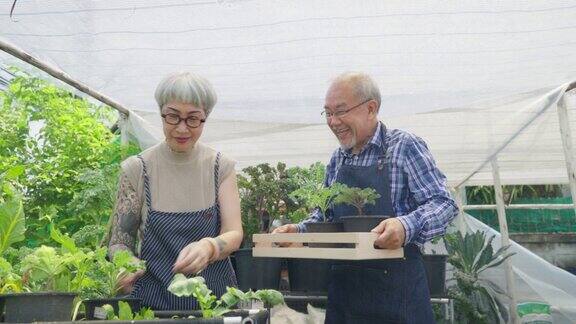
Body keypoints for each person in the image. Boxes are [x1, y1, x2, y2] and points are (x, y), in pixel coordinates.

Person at [273, 72, 458, 323]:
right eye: (327, 113)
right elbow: (326, 216)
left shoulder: (403, 146)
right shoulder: (338, 160)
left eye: (340, 111)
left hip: (398, 296)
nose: (333, 121)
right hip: (346, 297)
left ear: (371, 108)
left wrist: (405, 226)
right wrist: (300, 230)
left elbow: (444, 203)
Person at [107, 72, 243, 310]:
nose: (182, 128)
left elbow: (234, 232)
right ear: (161, 113)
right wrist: (127, 264)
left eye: (193, 119)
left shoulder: (220, 167)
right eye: (172, 117)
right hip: (153, 304)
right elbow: (119, 241)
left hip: (214, 304)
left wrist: (209, 246)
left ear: (205, 117)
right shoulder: (137, 170)